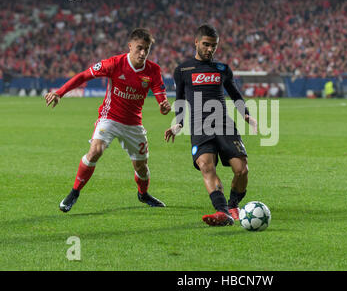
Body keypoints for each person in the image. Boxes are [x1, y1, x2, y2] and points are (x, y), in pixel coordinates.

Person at [45, 28, 171, 212]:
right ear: (130, 46)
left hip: (134, 124)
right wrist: (59, 92)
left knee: (141, 167)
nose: (143, 53)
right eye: (139, 48)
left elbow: (162, 100)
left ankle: (143, 195)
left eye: (147, 49)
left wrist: (164, 106)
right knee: (95, 151)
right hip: (110, 118)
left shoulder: (153, 70)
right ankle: (74, 193)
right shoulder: (114, 63)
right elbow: (83, 76)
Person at [164, 24, 257, 226]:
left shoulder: (223, 69)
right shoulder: (182, 70)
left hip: (224, 124)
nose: (210, 49)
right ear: (196, 42)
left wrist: (247, 116)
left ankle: (233, 205)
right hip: (199, 126)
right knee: (206, 166)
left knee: (242, 170)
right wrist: (178, 123)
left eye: (213, 46)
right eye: (206, 44)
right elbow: (179, 99)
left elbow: (235, 95)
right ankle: (222, 212)